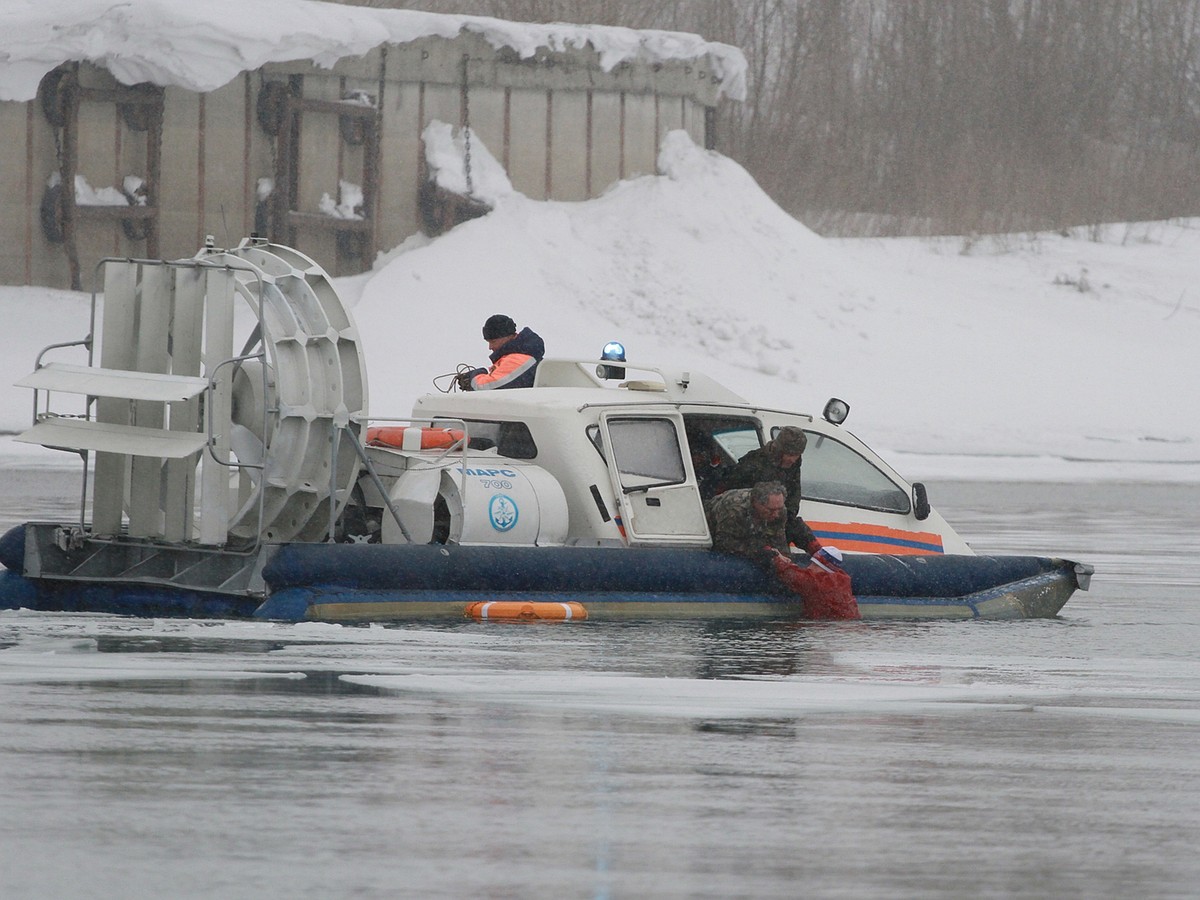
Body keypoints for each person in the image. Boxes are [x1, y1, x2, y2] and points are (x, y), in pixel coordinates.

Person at [708, 480, 859, 620]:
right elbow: (724, 542)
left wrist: (779, 558)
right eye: (771, 510)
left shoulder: (813, 582)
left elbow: (782, 549)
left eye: (779, 509)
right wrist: (767, 554)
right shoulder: (842, 579)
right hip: (722, 522)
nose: (776, 514)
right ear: (757, 504)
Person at [718, 425, 821, 553]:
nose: (792, 459)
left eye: (796, 455)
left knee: (794, 531)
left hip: (776, 521)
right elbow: (734, 500)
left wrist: (784, 518)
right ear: (779, 450)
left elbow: (793, 497)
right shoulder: (753, 464)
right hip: (748, 522)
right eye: (789, 454)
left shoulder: (793, 465)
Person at [456, 314, 545, 391]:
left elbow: (486, 388)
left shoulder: (518, 358)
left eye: (493, 341)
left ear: (508, 337)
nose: (490, 347)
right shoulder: (525, 354)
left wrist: (474, 376)